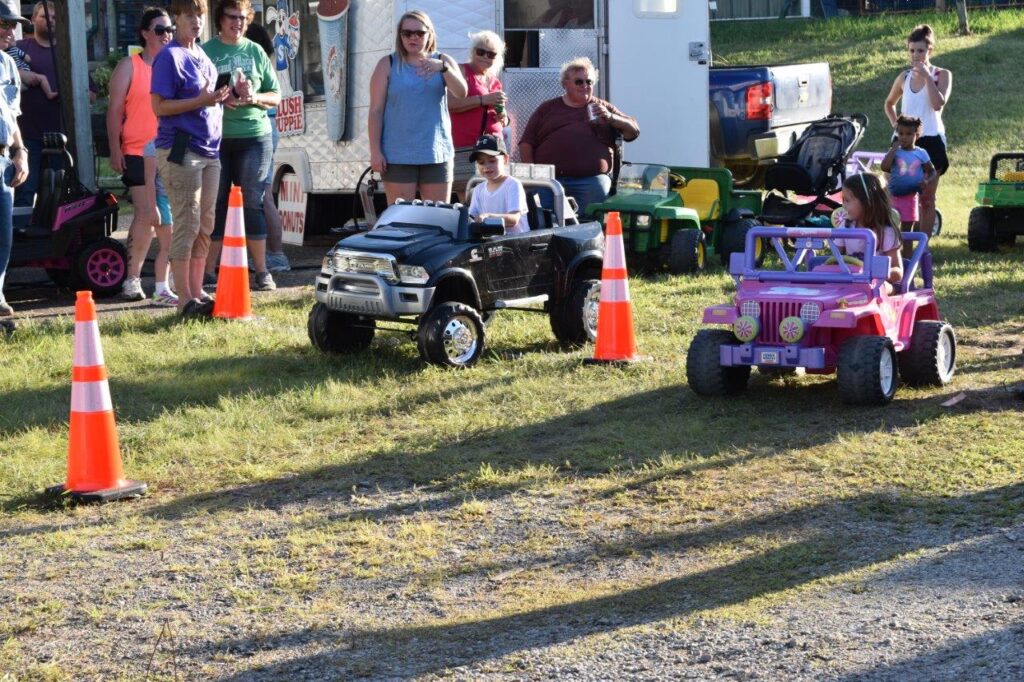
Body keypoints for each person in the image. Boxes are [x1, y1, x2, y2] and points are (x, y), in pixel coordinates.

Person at [151, 0, 230, 317]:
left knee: (205, 224)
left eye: (200, 15)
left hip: (210, 150)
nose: (196, 21)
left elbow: (209, 102)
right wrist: (202, 99)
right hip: (180, 147)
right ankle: (184, 301)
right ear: (176, 19)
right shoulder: (169, 56)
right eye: (189, 15)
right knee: (187, 221)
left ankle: (197, 292)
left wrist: (227, 97)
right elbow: (158, 107)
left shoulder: (203, 56)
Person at [202, 0, 281, 292]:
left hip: (254, 136)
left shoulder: (255, 50)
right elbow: (197, 94)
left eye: (243, 19)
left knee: (253, 202)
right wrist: (219, 97)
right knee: (216, 203)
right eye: (232, 18)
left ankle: (262, 272)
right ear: (220, 20)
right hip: (217, 138)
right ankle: (209, 271)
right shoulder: (206, 51)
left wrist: (254, 98)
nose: (238, 23)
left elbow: (276, 95)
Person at [107, 7, 178, 306]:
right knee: (147, 213)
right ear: (145, 33)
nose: (167, 34)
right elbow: (114, 110)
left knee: (170, 220)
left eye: (170, 28)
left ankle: (166, 282)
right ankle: (132, 279)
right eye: (160, 29)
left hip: (172, 150)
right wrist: (114, 148)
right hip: (136, 150)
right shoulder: (129, 66)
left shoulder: (175, 63)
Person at [368, 10, 467, 206]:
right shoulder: (387, 64)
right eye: (407, 33)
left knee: (437, 219)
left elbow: (462, 92)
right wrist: (375, 151)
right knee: (402, 219)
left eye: (420, 33)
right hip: (397, 155)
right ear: (400, 36)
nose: (413, 37)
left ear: (429, 34)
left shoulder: (443, 60)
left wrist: (443, 68)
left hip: (436, 154)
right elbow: (375, 111)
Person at [519, 56, 638, 216]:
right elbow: (526, 142)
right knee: (546, 224)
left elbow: (633, 131)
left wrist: (611, 118)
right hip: (549, 180)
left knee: (591, 225)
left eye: (589, 82)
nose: (585, 86)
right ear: (565, 84)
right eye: (579, 82)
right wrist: (532, 175)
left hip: (591, 181)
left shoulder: (602, 107)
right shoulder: (547, 108)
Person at [883, 23, 951, 237]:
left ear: (929, 50)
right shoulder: (903, 77)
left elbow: (938, 104)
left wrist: (926, 76)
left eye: (920, 50)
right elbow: (889, 103)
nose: (915, 55)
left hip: (931, 141)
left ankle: (923, 245)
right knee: (896, 194)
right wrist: (897, 127)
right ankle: (897, 241)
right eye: (912, 50)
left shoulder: (942, 74)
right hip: (904, 144)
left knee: (927, 197)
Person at [244, 21, 288, 272]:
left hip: (260, 126)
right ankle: (271, 253)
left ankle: (276, 254)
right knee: (261, 194)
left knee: (262, 195)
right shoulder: (264, 62)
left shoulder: (253, 62)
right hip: (267, 125)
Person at [12, 1, 61, 228]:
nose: (48, 20)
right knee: (25, 190)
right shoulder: (20, 46)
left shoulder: (67, 53)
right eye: (43, 16)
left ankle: (53, 240)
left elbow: (89, 94)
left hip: (60, 137)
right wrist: (21, 74)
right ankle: (19, 239)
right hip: (26, 135)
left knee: (56, 193)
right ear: (32, 19)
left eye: (53, 17)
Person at [448, 30, 508, 200]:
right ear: (472, 52)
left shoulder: (493, 80)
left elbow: (499, 114)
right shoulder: (462, 71)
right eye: (480, 51)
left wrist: (503, 117)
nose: (485, 57)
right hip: (467, 148)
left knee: (494, 195)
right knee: (468, 197)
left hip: (494, 148)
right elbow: (450, 104)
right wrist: (483, 99)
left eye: (491, 54)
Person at [0, 1, 31, 317]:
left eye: (12, 24)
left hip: (3, 158)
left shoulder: (9, 65)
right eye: (3, 23)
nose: (10, 30)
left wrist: (21, 152)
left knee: (4, 235)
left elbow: (12, 116)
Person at [834, 173, 903, 295]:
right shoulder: (845, 226)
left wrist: (875, 273)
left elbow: (898, 272)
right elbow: (834, 259)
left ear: (867, 201)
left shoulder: (886, 232)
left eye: (847, 200)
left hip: (881, 283)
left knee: (872, 289)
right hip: (852, 281)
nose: (843, 205)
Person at [880, 114, 936, 239]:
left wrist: (926, 181)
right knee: (889, 231)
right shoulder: (896, 152)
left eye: (909, 134)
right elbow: (884, 167)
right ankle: (891, 256)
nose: (904, 137)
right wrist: (893, 149)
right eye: (901, 134)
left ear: (917, 135)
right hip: (892, 197)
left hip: (910, 198)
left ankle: (908, 257)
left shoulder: (921, 153)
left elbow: (932, 172)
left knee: (907, 233)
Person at [467, 134, 528, 235]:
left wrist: (488, 217)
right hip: (490, 243)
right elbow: (471, 217)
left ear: (505, 159)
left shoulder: (513, 185)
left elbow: (514, 219)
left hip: (514, 242)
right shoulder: (478, 190)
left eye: (492, 161)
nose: (486, 166)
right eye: (481, 162)